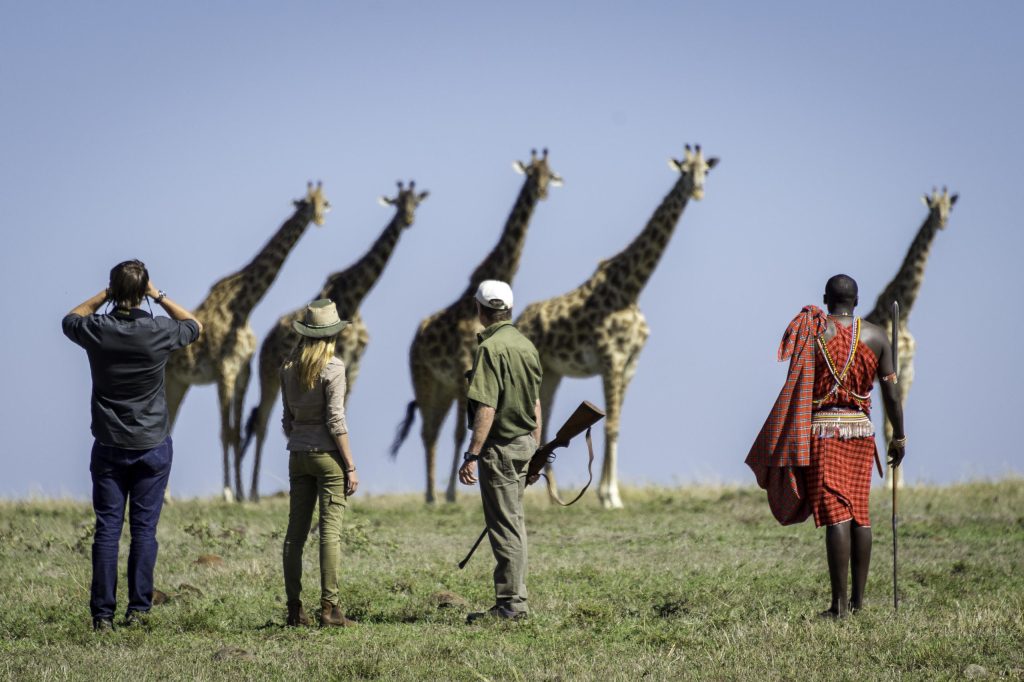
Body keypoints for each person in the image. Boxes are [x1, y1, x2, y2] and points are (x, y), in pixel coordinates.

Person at [746, 274, 906, 618]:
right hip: (861, 434)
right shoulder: (878, 335)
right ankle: (858, 604)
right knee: (859, 514)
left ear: (825, 298)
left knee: (836, 514)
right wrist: (900, 436)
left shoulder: (813, 332)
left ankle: (839, 607)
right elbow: (892, 393)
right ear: (858, 301)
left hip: (823, 433)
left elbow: (797, 384)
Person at [63, 259, 202, 631]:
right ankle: (138, 610)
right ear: (143, 292)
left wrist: (107, 294)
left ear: (112, 290)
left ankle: (102, 616)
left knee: (107, 529)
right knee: (144, 530)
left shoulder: (96, 329)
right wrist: (159, 295)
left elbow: (70, 318)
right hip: (153, 443)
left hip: (109, 443)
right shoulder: (158, 330)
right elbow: (194, 325)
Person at [458, 280, 543, 623]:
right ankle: (514, 599)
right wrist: (536, 447)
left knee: (505, 527)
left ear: (480, 309)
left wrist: (472, 454)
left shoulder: (489, 350)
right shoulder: (526, 346)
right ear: (508, 309)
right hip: (524, 443)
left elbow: (487, 408)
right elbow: (536, 403)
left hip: (501, 449)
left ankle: (511, 605)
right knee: (515, 524)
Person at [279, 299, 359, 628]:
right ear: (331, 335)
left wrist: (301, 438)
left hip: (297, 457)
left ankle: (295, 610)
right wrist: (350, 466)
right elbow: (336, 421)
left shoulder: (287, 368)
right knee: (330, 535)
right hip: (327, 458)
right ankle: (330, 609)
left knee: (294, 536)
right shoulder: (334, 367)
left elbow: (287, 421)